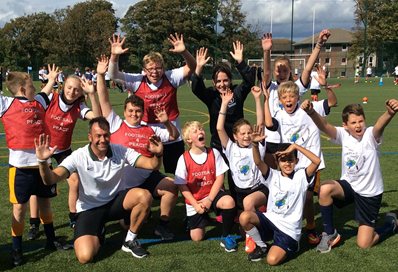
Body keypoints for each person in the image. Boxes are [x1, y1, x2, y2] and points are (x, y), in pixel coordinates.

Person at [35, 117, 164, 263]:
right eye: (98, 136)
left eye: (106, 135)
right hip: (90, 209)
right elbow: (50, 179)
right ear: (90, 136)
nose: (103, 139)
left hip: (116, 203)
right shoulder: (79, 156)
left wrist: (158, 154)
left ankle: (129, 241)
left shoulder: (120, 151)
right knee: (85, 257)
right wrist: (42, 162)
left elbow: (151, 164)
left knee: (144, 196)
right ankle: (99, 231)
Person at [96, 55, 179, 240]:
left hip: (147, 177)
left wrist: (166, 123)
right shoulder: (116, 123)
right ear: (124, 112)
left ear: (143, 113)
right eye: (131, 111)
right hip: (122, 185)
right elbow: (104, 99)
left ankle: (163, 225)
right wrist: (101, 76)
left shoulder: (149, 130)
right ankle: (124, 216)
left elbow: (174, 136)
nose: (134, 114)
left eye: (138, 111)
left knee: (172, 187)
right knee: (127, 223)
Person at [262, 30, 332, 245]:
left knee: (307, 193)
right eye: (278, 69)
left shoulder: (296, 88)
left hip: (298, 145)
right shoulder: (270, 87)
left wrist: (319, 44)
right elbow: (264, 74)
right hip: (274, 145)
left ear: (291, 72)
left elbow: (309, 67)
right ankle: (273, 224)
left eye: (285, 69)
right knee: (273, 189)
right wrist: (266, 52)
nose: (281, 72)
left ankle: (310, 228)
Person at [302, 100, 398, 253]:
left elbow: (380, 126)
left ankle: (390, 224)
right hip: (350, 186)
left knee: (364, 243)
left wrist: (390, 113)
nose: (358, 125)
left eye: (361, 121)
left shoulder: (370, 136)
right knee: (325, 188)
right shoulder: (343, 134)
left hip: (369, 193)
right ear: (345, 125)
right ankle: (330, 233)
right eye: (353, 122)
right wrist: (312, 112)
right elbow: (325, 127)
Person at [108, 33, 196, 174]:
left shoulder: (171, 77)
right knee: (146, 172)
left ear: (163, 68)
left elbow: (192, 66)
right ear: (144, 70)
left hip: (171, 132)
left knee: (179, 173)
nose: (154, 72)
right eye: (150, 69)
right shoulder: (137, 80)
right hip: (147, 133)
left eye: (158, 68)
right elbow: (113, 75)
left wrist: (184, 52)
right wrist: (114, 55)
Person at [0, 70, 62, 266]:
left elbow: (45, 92)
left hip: (42, 164)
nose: (35, 89)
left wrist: (52, 79)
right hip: (20, 167)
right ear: (21, 89)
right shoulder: (6, 104)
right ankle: (16, 249)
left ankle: (51, 240)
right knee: (19, 208)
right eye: (32, 87)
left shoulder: (39, 102)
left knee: (45, 202)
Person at [240, 126, 320, 265]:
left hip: (288, 230)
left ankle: (293, 245)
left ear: (296, 161)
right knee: (244, 217)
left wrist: (295, 146)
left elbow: (316, 161)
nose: (287, 163)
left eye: (290, 159)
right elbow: (258, 162)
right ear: (278, 162)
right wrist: (254, 144)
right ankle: (262, 245)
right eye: (283, 160)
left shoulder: (301, 176)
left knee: (272, 260)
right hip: (271, 220)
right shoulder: (272, 175)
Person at [191, 44, 256, 201]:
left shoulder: (237, 93)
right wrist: (198, 68)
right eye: (218, 81)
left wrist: (240, 62)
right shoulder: (211, 96)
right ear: (214, 83)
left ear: (230, 80)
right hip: (218, 144)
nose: (222, 84)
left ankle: (238, 205)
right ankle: (222, 207)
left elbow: (249, 81)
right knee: (218, 177)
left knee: (236, 174)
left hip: (237, 144)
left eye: (225, 80)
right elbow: (195, 88)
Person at [174, 121, 238, 252]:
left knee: (229, 202)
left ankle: (226, 236)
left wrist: (209, 200)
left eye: (201, 129)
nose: (200, 132)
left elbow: (220, 177)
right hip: (196, 199)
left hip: (213, 195)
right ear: (188, 140)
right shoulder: (183, 159)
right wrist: (195, 204)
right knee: (197, 237)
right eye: (195, 131)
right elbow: (182, 186)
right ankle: (194, 219)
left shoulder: (214, 153)